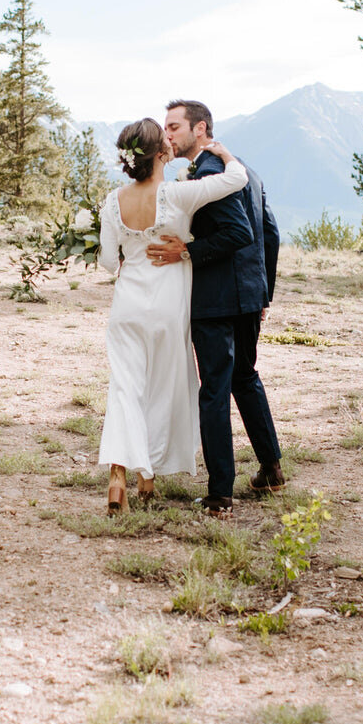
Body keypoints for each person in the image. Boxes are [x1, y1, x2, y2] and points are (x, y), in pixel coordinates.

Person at [95, 117, 249, 515]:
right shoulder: (178, 195)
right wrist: (224, 152)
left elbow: (109, 263)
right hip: (166, 306)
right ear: (162, 154)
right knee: (162, 390)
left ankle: (120, 477)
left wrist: (130, 251)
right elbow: (237, 179)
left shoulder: (113, 202)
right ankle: (149, 473)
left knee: (125, 389)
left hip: (127, 306)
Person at [148, 99, 284, 518]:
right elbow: (272, 233)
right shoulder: (243, 168)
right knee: (245, 377)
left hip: (215, 299)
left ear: (200, 128)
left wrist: (187, 251)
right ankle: (271, 470)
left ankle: (220, 492)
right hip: (248, 294)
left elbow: (239, 232)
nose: (167, 135)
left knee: (214, 390)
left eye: (174, 127)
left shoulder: (210, 173)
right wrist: (264, 293)